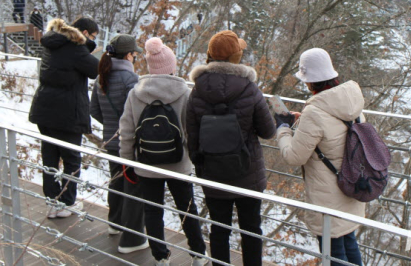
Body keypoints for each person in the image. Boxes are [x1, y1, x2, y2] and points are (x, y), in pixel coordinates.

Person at [186, 30, 276, 266]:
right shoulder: (250, 89)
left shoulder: (196, 91)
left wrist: (204, 165)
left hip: (213, 172)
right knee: (251, 228)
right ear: (236, 57)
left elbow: (192, 140)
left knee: (219, 228)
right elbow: (268, 131)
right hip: (247, 172)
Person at [119, 37, 208, 266]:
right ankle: (198, 255)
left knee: (152, 211)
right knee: (187, 209)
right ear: (172, 67)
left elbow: (127, 131)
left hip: (147, 164)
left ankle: (161, 257)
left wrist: (127, 162)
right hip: (178, 164)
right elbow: (191, 132)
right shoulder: (184, 92)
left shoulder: (135, 93)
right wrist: (194, 158)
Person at [275, 48, 366, 266]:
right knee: (349, 244)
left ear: (310, 81)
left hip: (328, 197)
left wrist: (283, 129)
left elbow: (293, 156)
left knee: (333, 254)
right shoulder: (353, 103)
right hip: (352, 186)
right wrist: (301, 122)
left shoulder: (314, 112)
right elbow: (332, 135)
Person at [28, 17, 99, 218]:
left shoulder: (53, 42)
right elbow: (96, 69)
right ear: (84, 33)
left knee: (49, 156)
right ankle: (66, 203)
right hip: (67, 113)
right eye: (92, 36)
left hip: (44, 108)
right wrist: (87, 46)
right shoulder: (75, 49)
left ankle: (52, 201)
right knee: (71, 159)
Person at [90, 34, 149, 254]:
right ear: (128, 55)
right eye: (134, 54)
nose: (135, 57)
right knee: (132, 186)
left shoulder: (100, 77)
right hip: (127, 143)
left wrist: (109, 125)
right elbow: (136, 113)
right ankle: (132, 238)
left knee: (116, 181)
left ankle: (114, 223)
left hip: (110, 140)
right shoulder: (130, 79)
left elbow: (94, 110)